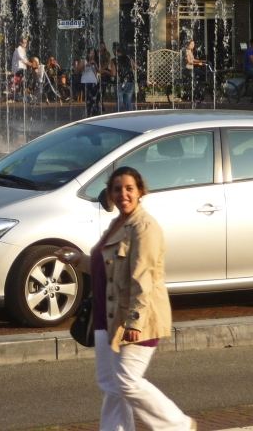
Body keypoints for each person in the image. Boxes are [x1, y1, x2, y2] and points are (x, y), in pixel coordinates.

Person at [61, 167, 195, 431]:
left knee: (127, 382)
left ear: (140, 191)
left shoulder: (144, 227)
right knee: (111, 385)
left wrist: (134, 321)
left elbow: (142, 278)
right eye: (117, 189)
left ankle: (176, 425)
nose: (123, 194)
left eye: (129, 188)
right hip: (105, 316)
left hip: (135, 319)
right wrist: (78, 261)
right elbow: (108, 268)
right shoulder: (118, 223)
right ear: (109, 194)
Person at [111, 45, 136, 111]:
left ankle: (117, 116)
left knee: (120, 101)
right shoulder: (128, 57)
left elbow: (113, 74)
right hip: (130, 81)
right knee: (128, 101)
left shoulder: (114, 60)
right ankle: (130, 116)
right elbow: (135, 67)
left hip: (120, 82)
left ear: (115, 51)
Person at [81, 48, 101, 116]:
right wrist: (87, 64)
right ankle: (88, 113)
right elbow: (78, 70)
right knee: (88, 99)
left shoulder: (96, 61)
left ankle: (93, 113)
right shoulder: (84, 61)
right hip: (86, 82)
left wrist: (95, 65)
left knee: (94, 99)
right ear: (88, 54)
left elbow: (99, 72)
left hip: (94, 82)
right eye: (90, 53)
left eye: (93, 53)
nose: (92, 54)